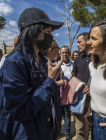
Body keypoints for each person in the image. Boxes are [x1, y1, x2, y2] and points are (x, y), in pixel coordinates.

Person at [0, 7, 64, 140]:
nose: (50, 37)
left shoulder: (41, 60)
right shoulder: (14, 63)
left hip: (46, 131)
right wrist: (50, 81)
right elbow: (21, 112)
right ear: (31, 31)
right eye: (47, 32)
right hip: (26, 135)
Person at [72, 32, 91, 140]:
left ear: (88, 41)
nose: (77, 45)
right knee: (80, 130)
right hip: (79, 100)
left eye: (79, 42)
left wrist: (92, 88)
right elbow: (73, 77)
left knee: (95, 129)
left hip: (95, 101)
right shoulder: (77, 60)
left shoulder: (98, 58)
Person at [59, 46, 73, 140]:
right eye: (63, 52)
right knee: (58, 114)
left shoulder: (74, 65)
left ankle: (67, 133)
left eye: (66, 52)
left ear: (69, 53)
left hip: (69, 95)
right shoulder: (57, 65)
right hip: (58, 95)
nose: (65, 54)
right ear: (60, 54)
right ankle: (57, 132)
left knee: (67, 114)